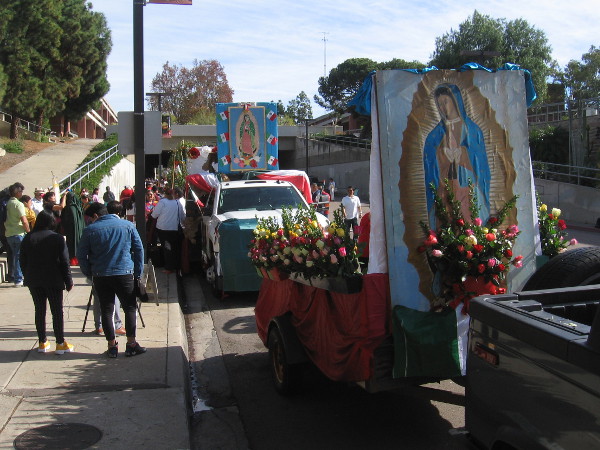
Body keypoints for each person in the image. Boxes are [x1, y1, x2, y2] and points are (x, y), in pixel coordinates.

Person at [77, 202, 146, 358]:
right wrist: (138, 273)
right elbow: (138, 249)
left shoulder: (90, 230)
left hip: (101, 274)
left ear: (96, 216)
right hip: (124, 272)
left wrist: (89, 272)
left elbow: (81, 255)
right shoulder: (127, 225)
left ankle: (112, 346)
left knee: (107, 311)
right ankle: (131, 344)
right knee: (130, 308)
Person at [423, 83, 490, 228]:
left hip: (467, 182)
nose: (443, 107)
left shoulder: (471, 129)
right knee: (446, 218)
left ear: (455, 101)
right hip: (445, 183)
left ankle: (470, 239)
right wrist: (441, 154)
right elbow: (429, 159)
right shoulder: (436, 134)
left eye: (445, 101)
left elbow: (479, 158)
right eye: (439, 104)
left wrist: (462, 153)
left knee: (468, 215)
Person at [20, 211, 74, 354]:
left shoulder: (28, 238)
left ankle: (42, 342)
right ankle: (60, 343)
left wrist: (27, 275)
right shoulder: (57, 238)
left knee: (39, 310)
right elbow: (64, 262)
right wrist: (68, 280)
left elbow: (22, 260)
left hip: (34, 280)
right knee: (57, 311)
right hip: (53, 279)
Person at [151, 188, 185, 274]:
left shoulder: (162, 202)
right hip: (174, 229)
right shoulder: (177, 202)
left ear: (165, 194)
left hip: (163, 229)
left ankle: (169, 268)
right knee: (174, 248)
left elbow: (154, 215)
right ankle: (176, 266)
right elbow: (182, 216)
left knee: (167, 248)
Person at [5, 182, 30, 286]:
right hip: (18, 233)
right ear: (17, 192)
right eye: (21, 191)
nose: (22, 193)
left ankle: (16, 276)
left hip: (9, 233)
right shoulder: (18, 204)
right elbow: (24, 220)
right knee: (18, 256)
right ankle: (18, 278)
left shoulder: (8, 203)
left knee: (15, 255)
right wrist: (29, 232)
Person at [61, 191, 84, 266]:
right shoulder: (78, 207)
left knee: (72, 244)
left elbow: (65, 219)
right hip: (78, 230)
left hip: (71, 230)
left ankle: (73, 260)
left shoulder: (69, 208)